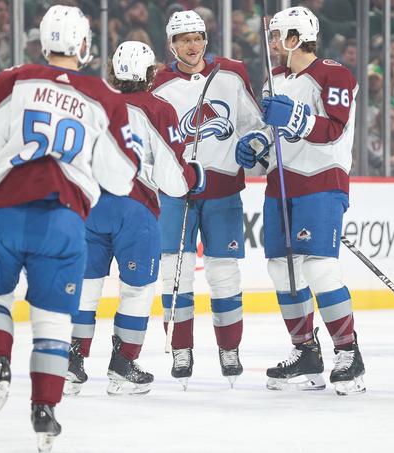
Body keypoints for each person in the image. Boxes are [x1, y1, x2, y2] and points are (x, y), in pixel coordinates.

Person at [0, 5, 139, 451]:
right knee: (52, 318)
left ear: (43, 41)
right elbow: (120, 177)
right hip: (63, 220)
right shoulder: (104, 97)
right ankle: (44, 409)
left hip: (3, 210)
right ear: (84, 45)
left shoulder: (13, 79)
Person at [236, 6, 366, 396]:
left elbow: (334, 129)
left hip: (322, 181)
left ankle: (349, 354)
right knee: (282, 270)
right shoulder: (273, 79)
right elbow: (270, 132)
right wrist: (255, 145)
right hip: (280, 184)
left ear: (296, 37)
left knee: (320, 270)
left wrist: (294, 119)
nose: (273, 43)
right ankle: (306, 351)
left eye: (278, 36)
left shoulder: (334, 73)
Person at [67, 41, 204, 397]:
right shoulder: (159, 109)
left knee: (86, 287)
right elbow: (173, 179)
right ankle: (123, 365)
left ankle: (70, 363)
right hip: (135, 211)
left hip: (91, 207)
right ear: (150, 73)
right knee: (137, 290)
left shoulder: (93, 104)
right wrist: (194, 177)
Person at [152, 10, 272, 388]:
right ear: (171, 44)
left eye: (197, 37)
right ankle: (181, 349)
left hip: (223, 190)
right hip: (176, 192)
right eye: (183, 38)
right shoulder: (159, 83)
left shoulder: (232, 73)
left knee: (223, 274)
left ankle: (229, 348)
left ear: (206, 39)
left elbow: (257, 124)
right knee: (175, 272)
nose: (192, 45)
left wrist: (256, 143)